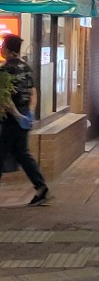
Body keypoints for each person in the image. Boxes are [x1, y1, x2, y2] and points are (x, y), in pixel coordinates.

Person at [0, 34, 49, 204]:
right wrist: (29, 113)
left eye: (2, 45)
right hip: (23, 115)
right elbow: (33, 91)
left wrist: (16, 115)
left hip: (10, 118)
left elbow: (5, 98)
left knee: (3, 152)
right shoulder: (27, 68)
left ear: (7, 49)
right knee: (21, 152)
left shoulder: (5, 70)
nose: (1, 48)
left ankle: (40, 185)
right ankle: (40, 186)